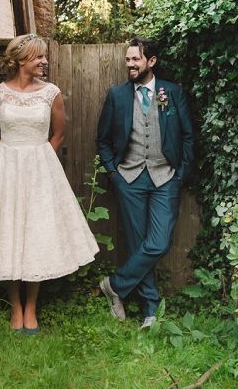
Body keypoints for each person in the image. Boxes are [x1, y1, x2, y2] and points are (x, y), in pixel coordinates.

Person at [0, 33, 99, 334]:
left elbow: (58, 134)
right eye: (38, 56)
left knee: (35, 234)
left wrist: (39, 160)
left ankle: (31, 307)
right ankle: (15, 306)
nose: (45, 61)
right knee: (8, 233)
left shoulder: (51, 93)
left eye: (44, 56)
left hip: (41, 170)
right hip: (6, 168)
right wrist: (11, 158)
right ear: (20, 60)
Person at [97, 37, 194, 328]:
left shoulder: (172, 93)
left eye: (135, 59)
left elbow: (188, 135)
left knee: (158, 242)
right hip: (129, 178)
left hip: (166, 177)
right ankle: (150, 312)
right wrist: (114, 172)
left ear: (151, 62)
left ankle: (114, 286)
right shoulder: (117, 95)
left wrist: (180, 176)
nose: (130, 64)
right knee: (140, 242)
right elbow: (102, 140)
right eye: (127, 60)